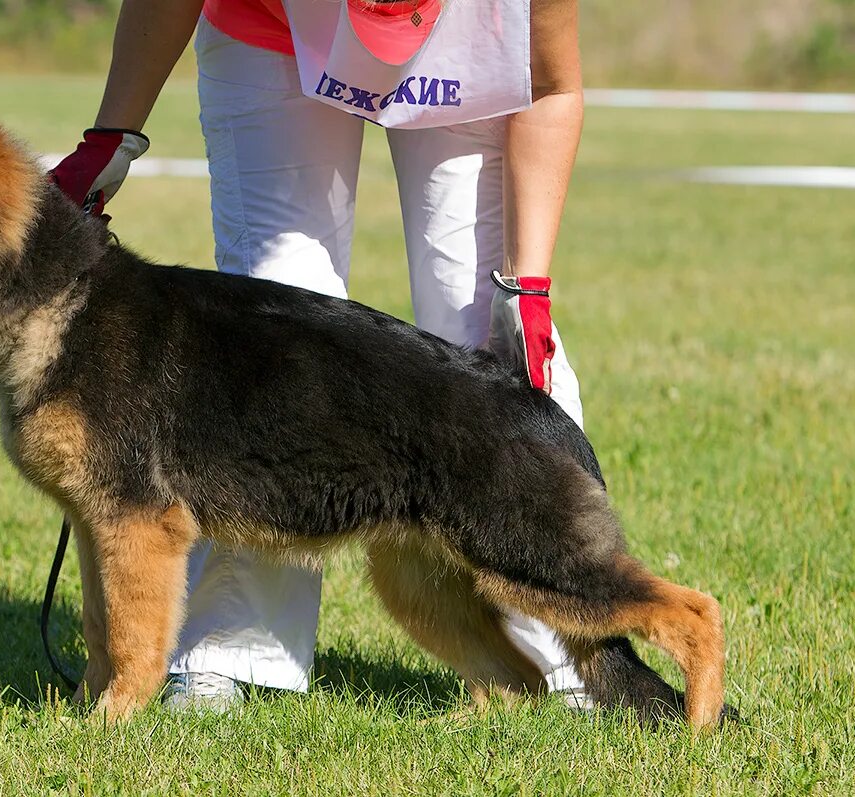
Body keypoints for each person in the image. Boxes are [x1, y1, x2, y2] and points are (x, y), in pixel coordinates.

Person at [51, 0, 590, 711]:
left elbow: (552, 84)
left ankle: (567, 646)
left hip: (465, 49)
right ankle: (234, 644)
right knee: (274, 316)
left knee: (481, 335)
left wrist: (528, 287)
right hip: (268, 29)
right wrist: (113, 131)